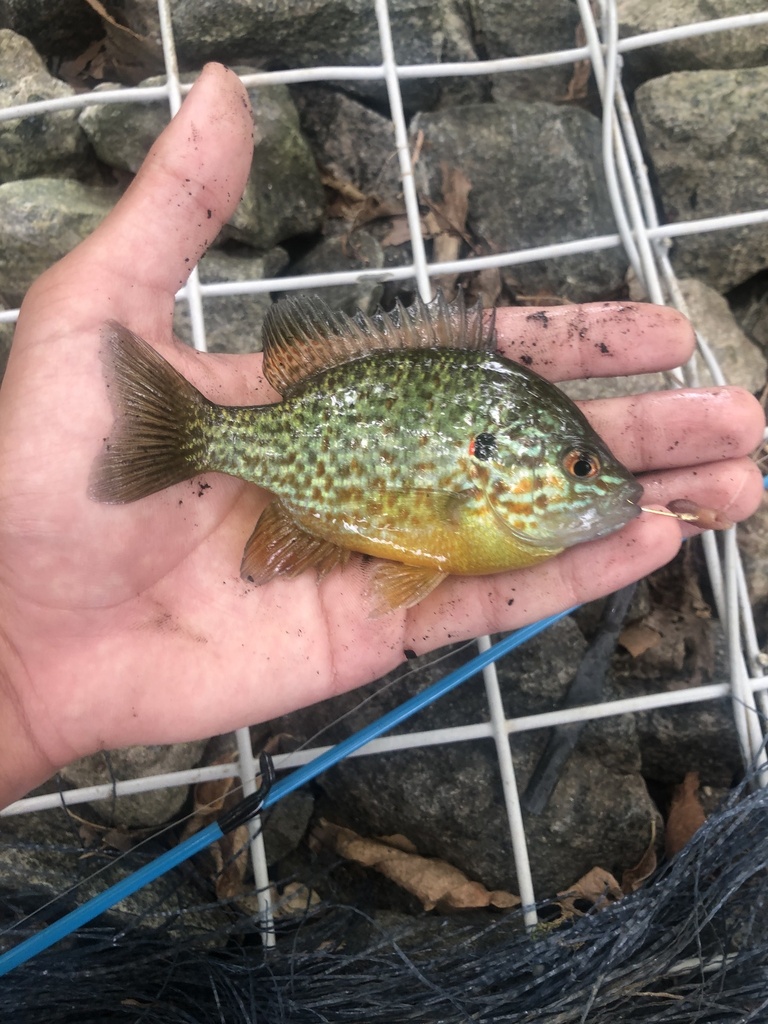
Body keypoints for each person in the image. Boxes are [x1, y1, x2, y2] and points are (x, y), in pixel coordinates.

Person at [0, 64, 762, 810]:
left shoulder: (498, 505)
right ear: (490, 464)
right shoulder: (475, 497)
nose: (601, 485)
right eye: (577, 464)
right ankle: (188, 437)